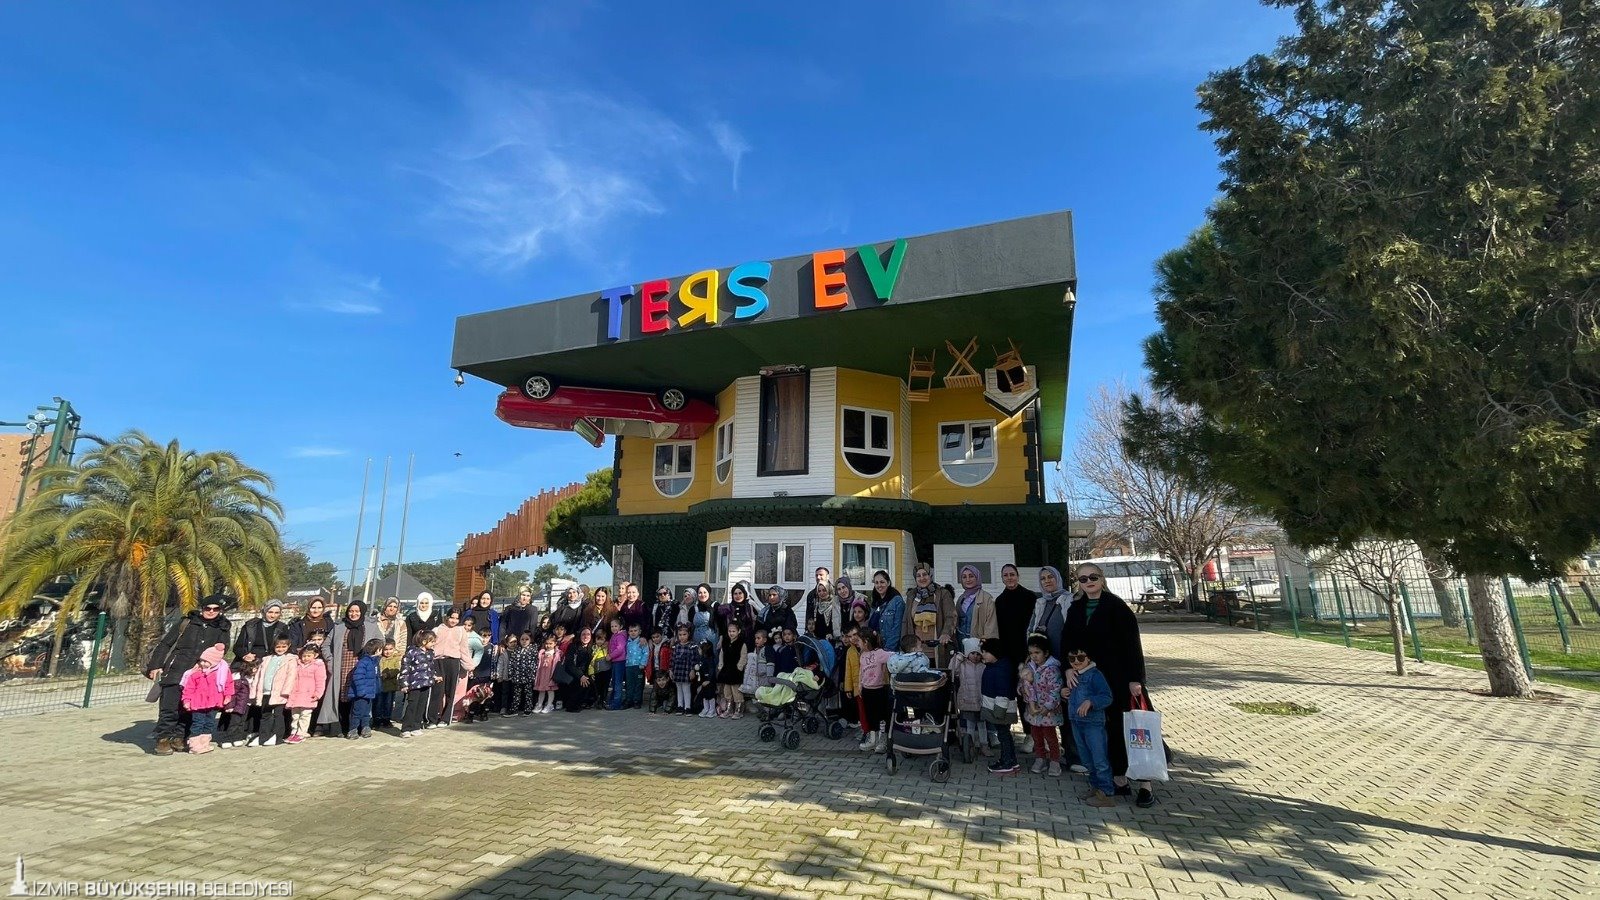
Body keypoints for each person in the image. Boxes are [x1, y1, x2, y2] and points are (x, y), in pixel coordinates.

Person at [1061, 562, 1158, 808]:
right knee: (1105, 731)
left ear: (1102, 578)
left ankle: (1146, 784)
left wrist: (1136, 678)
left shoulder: (1117, 607)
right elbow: (1068, 641)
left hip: (1119, 677)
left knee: (1129, 728)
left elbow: (1132, 644)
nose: (1088, 582)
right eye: (1083, 579)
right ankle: (1119, 780)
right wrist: (1068, 667)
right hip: (1090, 678)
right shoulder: (1076, 608)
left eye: (1093, 577)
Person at [144, 595, 232, 755]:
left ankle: (179, 736)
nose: (211, 611)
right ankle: (163, 739)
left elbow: (222, 651)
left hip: (199, 675)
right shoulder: (187, 623)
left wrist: (206, 663)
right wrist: (156, 665)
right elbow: (165, 644)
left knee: (189, 707)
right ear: (202, 608)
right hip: (175, 670)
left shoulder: (222, 628)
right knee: (169, 707)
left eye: (216, 609)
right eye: (208, 608)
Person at [1065, 645, 1117, 807]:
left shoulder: (1095, 675)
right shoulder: (1074, 674)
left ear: (1088, 658)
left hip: (1093, 723)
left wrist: (1091, 702)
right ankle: (1096, 787)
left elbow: (1107, 696)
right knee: (1086, 758)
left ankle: (1107, 793)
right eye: (1072, 658)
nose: (1076, 661)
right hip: (1076, 721)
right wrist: (1064, 693)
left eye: (1080, 658)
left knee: (1099, 758)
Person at [320, 599, 380, 736]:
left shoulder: (370, 627)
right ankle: (344, 727)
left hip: (362, 667)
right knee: (343, 696)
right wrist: (330, 660)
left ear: (362, 612)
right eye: (351, 611)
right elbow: (325, 645)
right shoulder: (339, 627)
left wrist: (374, 657)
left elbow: (380, 642)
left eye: (357, 611)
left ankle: (360, 726)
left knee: (360, 697)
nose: (353, 614)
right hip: (342, 666)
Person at [1021, 635, 1064, 776]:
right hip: (1034, 710)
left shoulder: (1052, 670)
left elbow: (1055, 689)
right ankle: (1040, 758)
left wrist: (1048, 706)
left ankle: (1055, 761)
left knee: (1050, 737)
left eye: (1037, 652)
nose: (1034, 656)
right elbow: (1024, 684)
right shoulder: (1029, 668)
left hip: (1048, 712)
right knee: (1036, 736)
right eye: (1031, 653)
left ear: (1046, 653)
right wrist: (1023, 692)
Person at [179, 644, 233, 755]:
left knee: (209, 723)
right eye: (201, 660)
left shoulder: (222, 672)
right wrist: (186, 700)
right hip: (198, 703)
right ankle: (194, 745)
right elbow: (188, 688)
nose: (202, 663)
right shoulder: (196, 673)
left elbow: (228, 684)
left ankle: (204, 743)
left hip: (214, 703)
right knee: (198, 723)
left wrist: (228, 695)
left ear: (214, 662)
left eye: (206, 661)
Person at [980, 638, 1020, 775]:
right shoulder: (994, 666)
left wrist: (1000, 710)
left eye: (986, 652)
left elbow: (1003, 691)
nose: (983, 655)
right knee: (1005, 735)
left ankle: (1006, 762)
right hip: (997, 708)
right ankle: (1011, 760)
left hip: (1001, 710)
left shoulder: (1002, 669)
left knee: (1003, 735)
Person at [248, 635, 297, 747]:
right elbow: (259, 676)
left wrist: (286, 691)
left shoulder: (290, 659)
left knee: (278, 715)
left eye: (283, 646)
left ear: (288, 646)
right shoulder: (266, 659)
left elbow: (291, 676)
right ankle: (263, 736)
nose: (280, 649)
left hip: (280, 693)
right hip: (265, 691)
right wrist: (255, 690)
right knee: (265, 715)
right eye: (278, 647)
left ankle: (277, 736)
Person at [905, 563, 956, 668]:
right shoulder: (911, 596)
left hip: (938, 646)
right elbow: (906, 621)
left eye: (925, 574)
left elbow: (951, 616)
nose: (922, 578)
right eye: (918, 576)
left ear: (930, 575)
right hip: (917, 650)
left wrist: (946, 633)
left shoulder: (943, 593)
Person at [995, 564, 1037, 675]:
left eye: (1012, 574)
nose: (1009, 578)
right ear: (1002, 579)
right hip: (1007, 651)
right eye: (1006, 575)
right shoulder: (999, 601)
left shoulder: (1030, 597)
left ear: (1018, 576)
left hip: (1027, 648)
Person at [431, 608, 470, 727]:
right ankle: (432, 718)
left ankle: (445, 718)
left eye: (457, 618)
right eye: (452, 617)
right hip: (438, 661)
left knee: (450, 691)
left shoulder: (461, 631)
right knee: (437, 691)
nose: (454, 620)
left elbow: (464, 649)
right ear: (447, 617)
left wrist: (469, 665)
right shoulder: (437, 629)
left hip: (453, 662)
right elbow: (431, 646)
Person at [399, 630, 440, 737]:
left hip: (426, 684)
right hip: (414, 684)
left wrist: (434, 676)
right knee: (412, 706)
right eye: (432, 642)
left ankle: (416, 726)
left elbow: (431, 667)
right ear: (424, 641)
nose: (434, 644)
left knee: (421, 706)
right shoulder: (412, 652)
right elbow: (405, 668)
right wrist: (404, 684)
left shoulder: (430, 653)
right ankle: (406, 728)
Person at [857, 630, 891, 752]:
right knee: (870, 715)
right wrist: (860, 685)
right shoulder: (862, 655)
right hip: (867, 690)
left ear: (866, 642)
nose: (857, 643)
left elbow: (892, 656)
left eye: (859, 641)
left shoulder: (879, 653)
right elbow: (861, 671)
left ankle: (883, 741)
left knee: (881, 715)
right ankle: (873, 739)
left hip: (879, 690)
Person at [952, 638, 987, 755]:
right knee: (970, 725)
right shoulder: (962, 666)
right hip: (967, 699)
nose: (975, 656)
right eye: (972, 653)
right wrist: (958, 658)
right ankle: (970, 746)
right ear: (967, 653)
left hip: (981, 700)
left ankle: (984, 745)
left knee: (982, 724)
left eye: (978, 654)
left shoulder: (983, 666)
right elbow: (952, 670)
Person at [286, 644, 327, 744]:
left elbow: (321, 681)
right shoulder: (298, 664)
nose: (306, 658)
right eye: (304, 656)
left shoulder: (318, 666)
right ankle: (294, 731)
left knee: (305, 715)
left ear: (315, 655)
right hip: (296, 694)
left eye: (309, 656)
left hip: (309, 694)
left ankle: (301, 732)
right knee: (295, 715)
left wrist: (318, 693)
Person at [954, 565, 999, 650]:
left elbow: (991, 625)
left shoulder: (987, 599)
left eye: (971, 576)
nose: (968, 579)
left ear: (977, 577)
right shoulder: (961, 599)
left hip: (978, 645)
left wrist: (986, 644)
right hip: (960, 643)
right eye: (964, 577)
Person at [215, 657, 256, 749]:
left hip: (246, 705)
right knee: (234, 723)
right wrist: (230, 705)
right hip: (236, 705)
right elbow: (233, 694)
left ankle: (237, 738)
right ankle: (226, 739)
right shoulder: (238, 678)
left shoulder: (251, 679)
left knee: (241, 722)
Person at [346, 638, 382, 739]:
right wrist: (361, 691)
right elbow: (358, 677)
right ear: (377, 650)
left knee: (367, 712)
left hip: (370, 693)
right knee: (357, 712)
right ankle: (353, 729)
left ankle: (365, 727)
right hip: (361, 693)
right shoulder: (364, 662)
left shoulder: (375, 662)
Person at [560, 627, 599, 713]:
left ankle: (587, 702)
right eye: (583, 634)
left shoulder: (592, 647)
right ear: (580, 636)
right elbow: (569, 664)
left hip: (586, 673)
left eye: (588, 634)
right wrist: (581, 676)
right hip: (573, 673)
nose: (586, 637)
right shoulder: (573, 646)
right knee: (581, 682)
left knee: (590, 681)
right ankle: (572, 705)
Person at [716, 622, 748, 718]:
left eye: (733, 631)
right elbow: (721, 654)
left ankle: (739, 710)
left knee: (736, 691)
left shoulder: (741, 643)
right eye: (729, 631)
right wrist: (720, 666)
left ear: (739, 631)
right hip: (726, 669)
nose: (731, 633)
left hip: (736, 670)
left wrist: (739, 667)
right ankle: (729, 709)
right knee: (727, 691)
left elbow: (743, 656)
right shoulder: (725, 642)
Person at [868, 572, 905, 652]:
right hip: (877, 648)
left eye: (882, 582)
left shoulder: (897, 601)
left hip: (891, 649)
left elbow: (897, 629)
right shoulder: (876, 601)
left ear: (888, 583)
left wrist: (887, 650)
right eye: (876, 582)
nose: (879, 585)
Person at [715, 582, 758, 651]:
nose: (738, 596)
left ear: (744, 594)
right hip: (731, 642)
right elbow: (722, 626)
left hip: (747, 642)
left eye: (740, 593)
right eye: (735, 594)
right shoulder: (727, 608)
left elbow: (758, 620)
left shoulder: (749, 607)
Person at [740, 627, 776, 705]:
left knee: (766, 693)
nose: (756, 640)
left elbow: (770, 663)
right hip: (759, 677)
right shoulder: (757, 649)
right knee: (760, 694)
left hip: (766, 677)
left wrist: (769, 676)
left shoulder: (768, 649)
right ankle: (761, 708)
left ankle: (767, 709)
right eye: (755, 638)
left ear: (765, 640)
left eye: (758, 638)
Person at [669, 626, 699, 716]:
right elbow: (672, 659)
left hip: (687, 670)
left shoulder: (692, 646)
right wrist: (671, 670)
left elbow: (695, 659)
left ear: (688, 634)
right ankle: (680, 706)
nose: (682, 637)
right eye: (680, 635)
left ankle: (687, 707)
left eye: (684, 634)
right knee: (679, 689)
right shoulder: (676, 646)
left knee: (686, 689)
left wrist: (693, 670)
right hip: (677, 670)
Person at [373, 598, 410, 669]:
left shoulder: (400, 623)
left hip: (394, 658)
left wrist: (400, 657)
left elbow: (403, 642)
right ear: (385, 607)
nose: (392, 609)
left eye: (395, 607)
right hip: (377, 656)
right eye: (390, 606)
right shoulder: (375, 620)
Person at [645, 628, 673, 714]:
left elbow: (670, 658)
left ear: (662, 635)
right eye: (653, 637)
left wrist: (670, 669)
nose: (655, 639)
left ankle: (668, 708)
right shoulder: (652, 646)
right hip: (655, 670)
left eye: (657, 637)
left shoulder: (667, 645)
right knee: (656, 690)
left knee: (668, 690)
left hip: (665, 671)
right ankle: (653, 708)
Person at [375, 639, 402, 729]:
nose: (388, 652)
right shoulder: (379, 659)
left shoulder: (396, 659)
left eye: (390, 649)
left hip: (391, 686)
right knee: (378, 703)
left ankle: (386, 720)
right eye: (386, 649)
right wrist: (380, 674)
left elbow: (397, 669)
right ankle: (377, 720)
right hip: (380, 686)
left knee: (388, 704)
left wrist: (388, 674)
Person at [532, 634, 561, 714]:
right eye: (546, 643)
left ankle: (549, 704)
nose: (548, 645)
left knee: (550, 690)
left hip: (550, 675)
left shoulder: (556, 653)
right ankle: (539, 704)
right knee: (541, 690)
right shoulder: (542, 653)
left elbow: (556, 664)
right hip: (542, 674)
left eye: (550, 643)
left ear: (555, 643)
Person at [624, 623, 648, 710]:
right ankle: (629, 700)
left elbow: (646, 653)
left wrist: (643, 663)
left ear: (639, 631)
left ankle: (637, 701)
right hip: (629, 666)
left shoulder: (642, 641)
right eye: (631, 631)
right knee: (629, 684)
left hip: (638, 666)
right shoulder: (627, 642)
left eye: (635, 631)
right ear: (628, 632)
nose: (633, 633)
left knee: (638, 684)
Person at [804, 567, 832, 637]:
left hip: (832, 634)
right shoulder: (811, 595)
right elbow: (809, 615)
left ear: (827, 576)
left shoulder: (835, 592)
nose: (818, 577)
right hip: (817, 634)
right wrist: (808, 631)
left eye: (821, 575)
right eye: (816, 575)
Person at [695, 639, 718, 718]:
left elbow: (712, 670)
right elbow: (699, 672)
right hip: (703, 680)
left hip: (709, 681)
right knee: (704, 695)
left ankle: (712, 709)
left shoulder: (710, 659)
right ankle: (706, 708)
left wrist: (708, 680)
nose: (698, 651)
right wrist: (697, 669)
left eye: (699, 649)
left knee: (710, 695)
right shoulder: (701, 659)